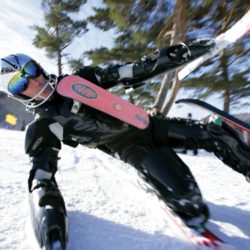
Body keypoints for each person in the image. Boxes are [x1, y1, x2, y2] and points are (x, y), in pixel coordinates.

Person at [1, 39, 250, 250]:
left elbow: (130, 71)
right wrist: (50, 220)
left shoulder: (80, 80)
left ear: (39, 67)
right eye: (20, 83)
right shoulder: (44, 124)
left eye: (31, 71)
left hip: (151, 125)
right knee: (191, 203)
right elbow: (42, 177)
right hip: (131, 147)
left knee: (216, 133)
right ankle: (157, 182)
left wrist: (175, 56)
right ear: (17, 94)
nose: (32, 82)